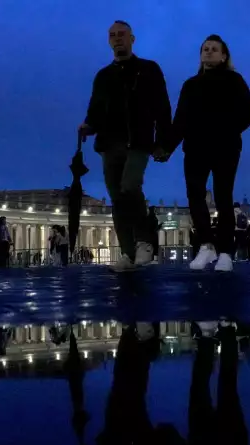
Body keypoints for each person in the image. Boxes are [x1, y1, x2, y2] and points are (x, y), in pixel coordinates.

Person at [80, 20, 172, 271]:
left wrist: (164, 142)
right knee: (117, 198)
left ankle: (144, 241)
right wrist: (88, 125)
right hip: (109, 143)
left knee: (130, 186)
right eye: (113, 35)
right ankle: (128, 253)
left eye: (122, 34)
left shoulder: (149, 69)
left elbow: (162, 107)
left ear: (133, 39)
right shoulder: (103, 76)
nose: (117, 38)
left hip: (139, 141)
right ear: (109, 41)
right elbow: (95, 110)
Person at [163, 35, 250, 271]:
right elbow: (180, 121)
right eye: (205, 49)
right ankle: (206, 245)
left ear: (224, 56)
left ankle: (225, 251)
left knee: (224, 196)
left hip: (226, 146)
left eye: (214, 49)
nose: (208, 52)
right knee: (195, 195)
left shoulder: (234, 80)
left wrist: (230, 129)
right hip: (195, 147)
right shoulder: (190, 85)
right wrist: (166, 147)